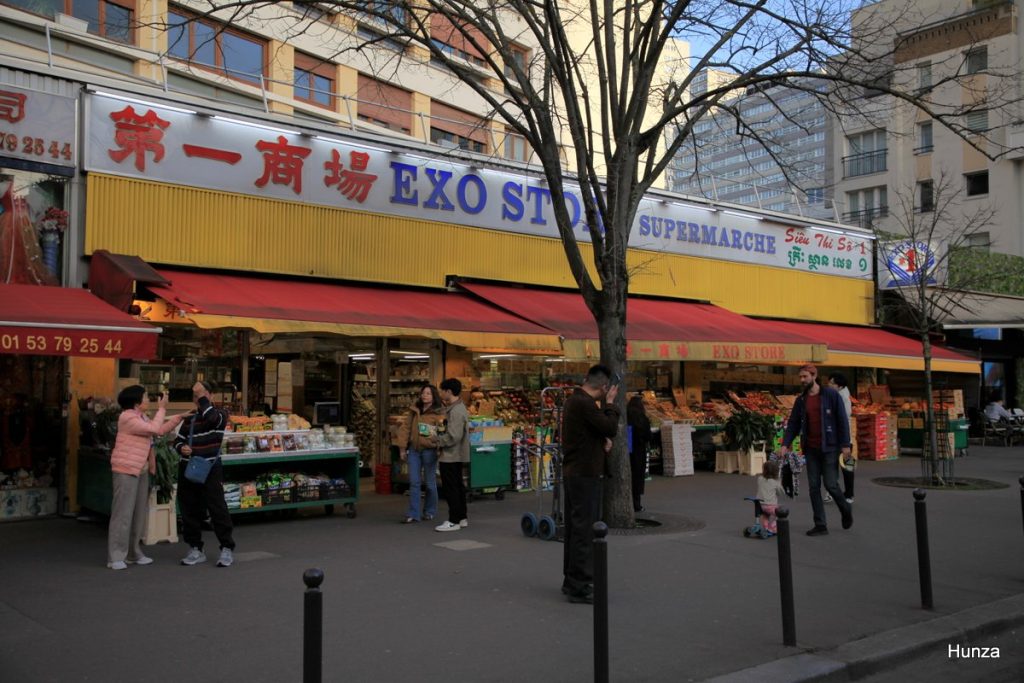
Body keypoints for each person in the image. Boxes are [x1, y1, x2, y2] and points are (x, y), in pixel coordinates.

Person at [107, 386, 185, 570]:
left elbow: (158, 431)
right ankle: (116, 556)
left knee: (138, 513)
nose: (148, 399)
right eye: (145, 397)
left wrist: (178, 418)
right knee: (123, 514)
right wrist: (163, 408)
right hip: (126, 469)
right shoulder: (127, 417)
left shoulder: (141, 417)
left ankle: (133, 553)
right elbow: (154, 428)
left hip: (140, 468)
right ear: (136, 402)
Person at [560, 364, 620, 604]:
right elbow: (610, 426)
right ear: (604, 387)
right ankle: (580, 585)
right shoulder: (584, 403)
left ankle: (572, 580)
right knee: (584, 530)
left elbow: (593, 432)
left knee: (577, 529)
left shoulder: (576, 401)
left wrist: (601, 441)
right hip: (584, 475)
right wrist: (611, 404)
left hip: (577, 472)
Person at [779, 364, 853, 536]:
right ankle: (820, 524)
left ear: (814, 375)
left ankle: (845, 509)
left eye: (805, 376)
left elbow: (842, 420)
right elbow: (794, 424)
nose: (802, 380)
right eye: (800, 377)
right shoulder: (801, 400)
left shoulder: (831, 395)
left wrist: (845, 445)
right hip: (811, 449)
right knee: (813, 487)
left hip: (830, 448)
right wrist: (785, 444)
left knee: (831, 484)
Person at [174, 381, 236, 567]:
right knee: (189, 509)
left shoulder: (220, 414)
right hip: (188, 467)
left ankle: (226, 547)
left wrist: (202, 397)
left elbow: (211, 419)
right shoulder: (190, 418)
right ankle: (195, 547)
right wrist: (181, 448)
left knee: (217, 508)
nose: (198, 399)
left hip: (210, 468)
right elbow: (177, 441)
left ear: (211, 396)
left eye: (202, 395)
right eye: (195, 396)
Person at [396, 384, 445, 524]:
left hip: (430, 450)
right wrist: (402, 448)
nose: (425, 396)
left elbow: (442, 431)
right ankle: (413, 513)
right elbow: (405, 428)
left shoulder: (439, 412)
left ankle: (430, 511)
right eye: (423, 393)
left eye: (428, 393)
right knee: (414, 482)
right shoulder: (414, 410)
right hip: (414, 450)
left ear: (433, 396)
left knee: (430, 483)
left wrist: (439, 447)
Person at [434, 378, 470, 532]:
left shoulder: (456, 411)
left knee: (451, 488)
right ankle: (461, 517)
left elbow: (453, 436)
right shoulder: (458, 408)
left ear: (449, 391)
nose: (441, 393)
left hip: (451, 454)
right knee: (458, 486)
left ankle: (453, 520)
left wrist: (438, 440)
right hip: (458, 454)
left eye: (442, 390)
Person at [828, 372, 856, 504]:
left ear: (839, 386)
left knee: (845, 468)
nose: (829, 385)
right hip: (840, 438)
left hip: (844, 439)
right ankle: (838, 493)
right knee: (837, 467)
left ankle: (848, 494)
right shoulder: (838, 395)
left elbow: (842, 420)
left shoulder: (843, 399)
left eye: (832, 383)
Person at [626, 394, 650, 513]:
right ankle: (637, 504)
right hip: (639, 450)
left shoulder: (626, 416)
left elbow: (628, 437)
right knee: (637, 477)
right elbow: (647, 435)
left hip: (629, 450)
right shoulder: (642, 418)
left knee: (628, 476)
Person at [755, 459, 787, 534]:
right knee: (781, 514)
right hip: (770, 505)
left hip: (760, 505)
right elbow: (781, 493)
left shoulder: (760, 479)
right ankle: (772, 527)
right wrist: (779, 482)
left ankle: (766, 527)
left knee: (765, 515)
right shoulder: (775, 482)